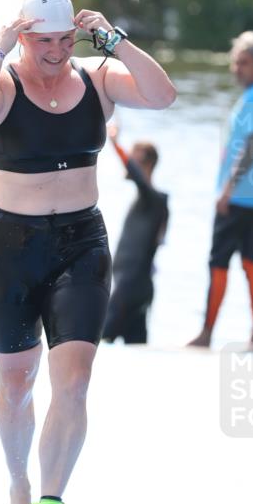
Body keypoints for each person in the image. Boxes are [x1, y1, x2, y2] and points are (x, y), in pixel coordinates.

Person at [0, 0, 176, 504]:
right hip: (7, 246)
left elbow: (162, 95)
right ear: (25, 35)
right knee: (17, 382)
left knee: (73, 379)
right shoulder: (2, 85)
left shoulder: (97, 79)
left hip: (81, 241)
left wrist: (115, 41)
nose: (55, 50)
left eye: (64, 38)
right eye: (43, 40)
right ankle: (18, 485)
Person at [187, 31, 253, 350]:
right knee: (251, 259)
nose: (236, 68)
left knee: (219, 262)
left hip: (240, 195)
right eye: (234, 62)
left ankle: (207, 333)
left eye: (244, 63)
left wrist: (227, 189)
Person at [103, 125, 168, 344]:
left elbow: (140, 179)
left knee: (100, 340)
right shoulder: (150, 203)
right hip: (134, 286)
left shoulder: (154, 200)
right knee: (138, 346)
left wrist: (114, 143)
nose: (128, 162)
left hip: (130, 287)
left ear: (147, 165)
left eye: (134, 159)